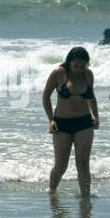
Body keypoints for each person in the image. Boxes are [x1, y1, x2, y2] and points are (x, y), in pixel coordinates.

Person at [42, 47, 99, 195]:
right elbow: (46, 96)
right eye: (76, 66)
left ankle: (85, 197)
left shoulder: (88, 74)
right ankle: (52, 191)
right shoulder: (58, 73)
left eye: (83, 66)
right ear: (69, 62)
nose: (79, 69)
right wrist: (51, 120)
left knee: (83, 164)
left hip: (84, 123)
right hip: (62, 124)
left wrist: (96, 117)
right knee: (61, 165)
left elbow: (91, 97)